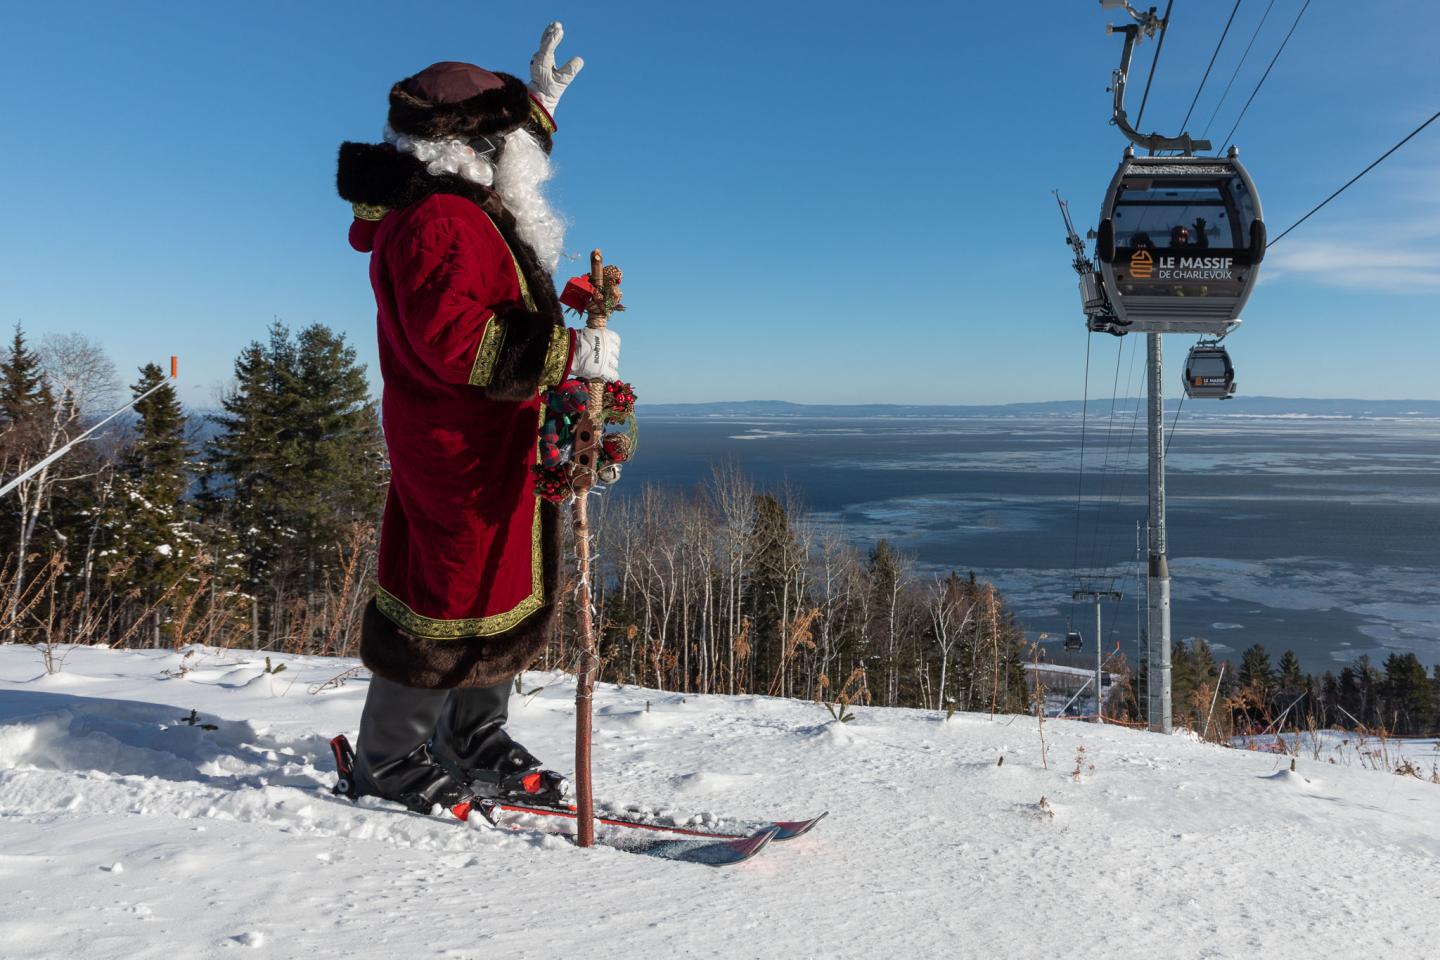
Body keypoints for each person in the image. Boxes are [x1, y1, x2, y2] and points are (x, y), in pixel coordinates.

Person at [334, 23, 619, 819]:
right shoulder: (441, 222)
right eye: (513, 132)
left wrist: (536, 105)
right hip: (455, 445)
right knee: (445, 593)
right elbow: (458, 339)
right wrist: (569, 354)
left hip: (494, 443)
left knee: (499, 582)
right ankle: (388, 759)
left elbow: (518, 167)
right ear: (476, 141)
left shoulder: (467, 203)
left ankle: (473, 738)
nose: (529, 151)